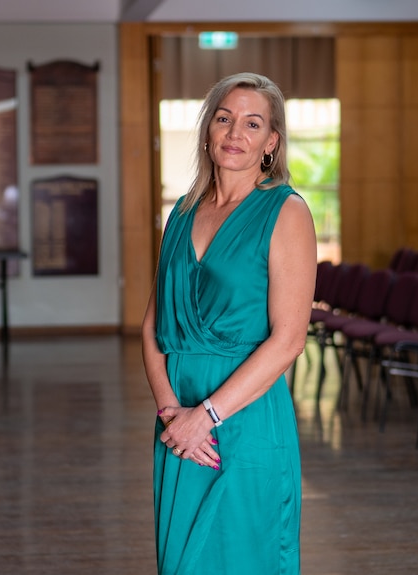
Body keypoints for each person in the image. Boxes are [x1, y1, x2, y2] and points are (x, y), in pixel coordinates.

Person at [142, 72, 317, 574]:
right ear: (208, 130)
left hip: (244, 415)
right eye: (224, 118)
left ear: (271, 142)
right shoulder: (181, 211)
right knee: (183, 562)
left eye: (252, 123)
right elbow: (153, 325)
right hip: (178, 423)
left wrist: (207, 416)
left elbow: (288, 341)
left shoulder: (285, 212)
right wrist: (172, 412)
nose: (235, 132)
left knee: (247, 555)